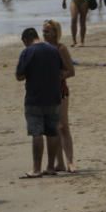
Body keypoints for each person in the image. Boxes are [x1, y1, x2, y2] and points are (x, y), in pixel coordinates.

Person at [15, 27, 62, 178]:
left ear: (25, 40)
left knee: (37, 133)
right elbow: (62, 69)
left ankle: (36, 168)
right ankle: (50, 167)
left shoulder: (28, 52)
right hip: (53, 97)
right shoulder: (53, 50)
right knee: (52, 132)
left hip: (34, 98)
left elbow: (19, 75)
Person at [43, 20, 76, 173]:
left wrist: (57, 76)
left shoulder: (61, 48)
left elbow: (71, 71)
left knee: (63, 126)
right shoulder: (41, 49)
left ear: (55, 32)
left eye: (47, 31)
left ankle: (70, 162)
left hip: (60, 91)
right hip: (46, 92)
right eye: (43, 31)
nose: (44, 34)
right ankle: (59, 163)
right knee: (52, 129)